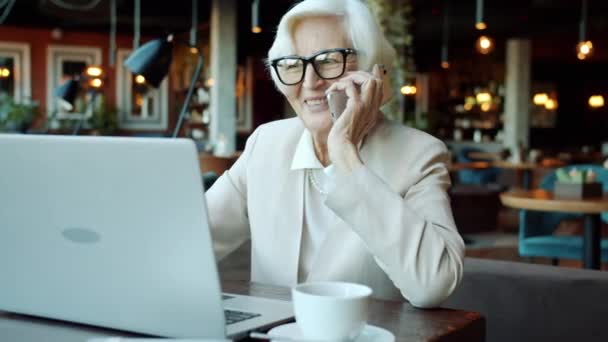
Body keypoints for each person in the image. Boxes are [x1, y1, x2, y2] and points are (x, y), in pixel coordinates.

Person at [207, 0, 464, 308]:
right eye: (292, 64)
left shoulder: (418, 155)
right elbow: (190, 241)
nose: (310, 82)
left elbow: (433, 284)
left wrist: (344, 153)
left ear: (373, 72)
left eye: (329, 60)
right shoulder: (266, 144)